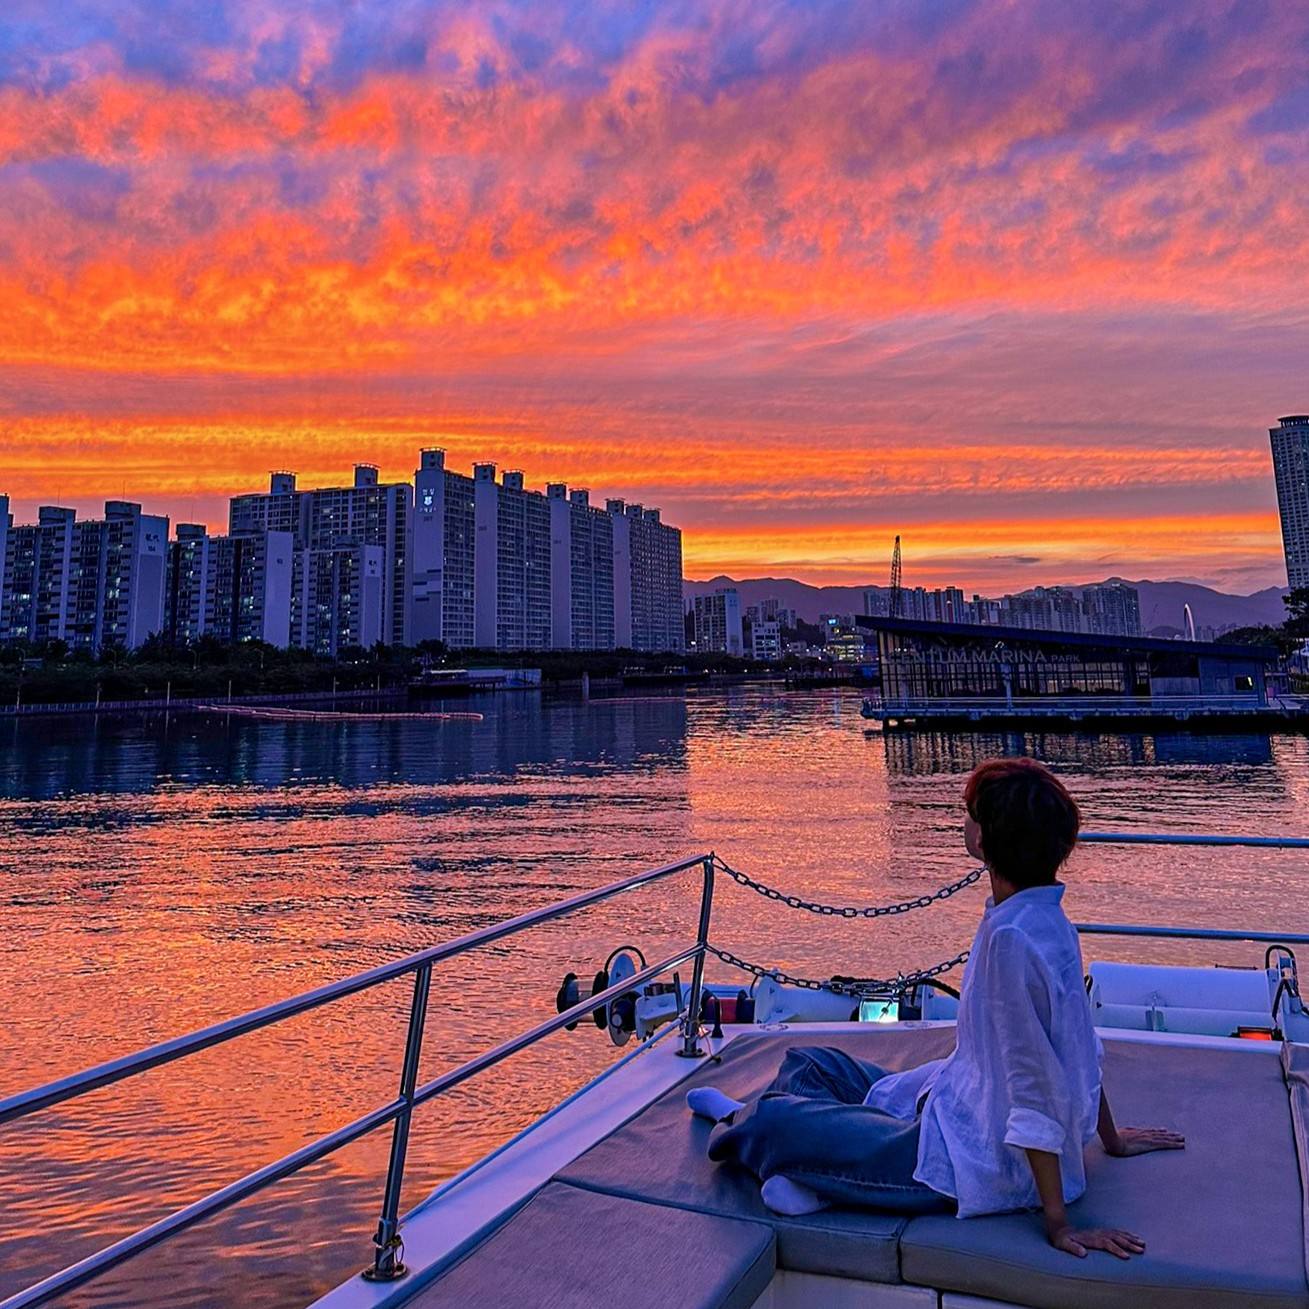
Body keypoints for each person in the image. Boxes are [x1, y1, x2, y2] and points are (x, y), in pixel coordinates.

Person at [692, 757, 1185, 1258]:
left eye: (971, 814)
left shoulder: (1014, 941)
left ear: (990, 839)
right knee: (810, 1062)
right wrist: (1112, 1140)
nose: (964, 821)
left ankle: (747, 1127)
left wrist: (1058, 1223)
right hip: (953, 1103)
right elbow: (1081, 1048)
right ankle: (814, 1179)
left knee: (778, 1126)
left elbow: (1033, 1084)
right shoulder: (1039, 918)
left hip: (972, 1165)